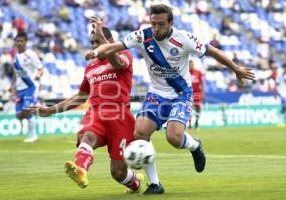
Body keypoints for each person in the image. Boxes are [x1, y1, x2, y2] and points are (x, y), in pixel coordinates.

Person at [86, 4, 255, 195]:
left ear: (170, 23)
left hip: (181, 95)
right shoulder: (142, 35)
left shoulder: (184, 39)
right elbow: (115, 46)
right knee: (140, 132)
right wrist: (95, 52)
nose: (156, 29)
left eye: (161, 24)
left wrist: (236, 69)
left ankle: (195, 145)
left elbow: (212, 51)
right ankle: (155, 184)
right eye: (153, 24)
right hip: (157, 93)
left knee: (173, 137)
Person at [26, 26, 143, 193]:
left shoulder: (124, 56)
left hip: (120, 116)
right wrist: (50, 110)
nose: (94, 45)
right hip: (96, 113)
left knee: (117, 172)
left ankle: (135, 183)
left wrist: (105, 46)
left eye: (98, 41)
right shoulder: (91, 67)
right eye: (92, 42)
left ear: (109, 41)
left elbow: (117, 64)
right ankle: (80, 169)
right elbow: (80, 97)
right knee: (86, 136)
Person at [10, 32, 44, 142]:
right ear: (15, 42)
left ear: (26, 42)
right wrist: (12, 86)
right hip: (20, 88)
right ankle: (31, 131)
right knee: (18, 115)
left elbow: (40, 68)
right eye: (18, 41)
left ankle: (33, 136)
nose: (20, 43)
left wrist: (38, 76)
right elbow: (16, 74)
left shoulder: (31, 54)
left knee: (27, 109)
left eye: (22, 41)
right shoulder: (15, 58)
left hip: (31, 86)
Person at [189, 58, 204, 130]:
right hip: (189, 94)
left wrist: (203, 93)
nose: (190, 65)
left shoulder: (198, 72)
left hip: (197, 93)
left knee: (198, 108)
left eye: (191, 64)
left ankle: (197, 122)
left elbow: (202, 83)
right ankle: (189, 124)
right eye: (189, 64)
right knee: (189, 108)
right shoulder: (186, 73)